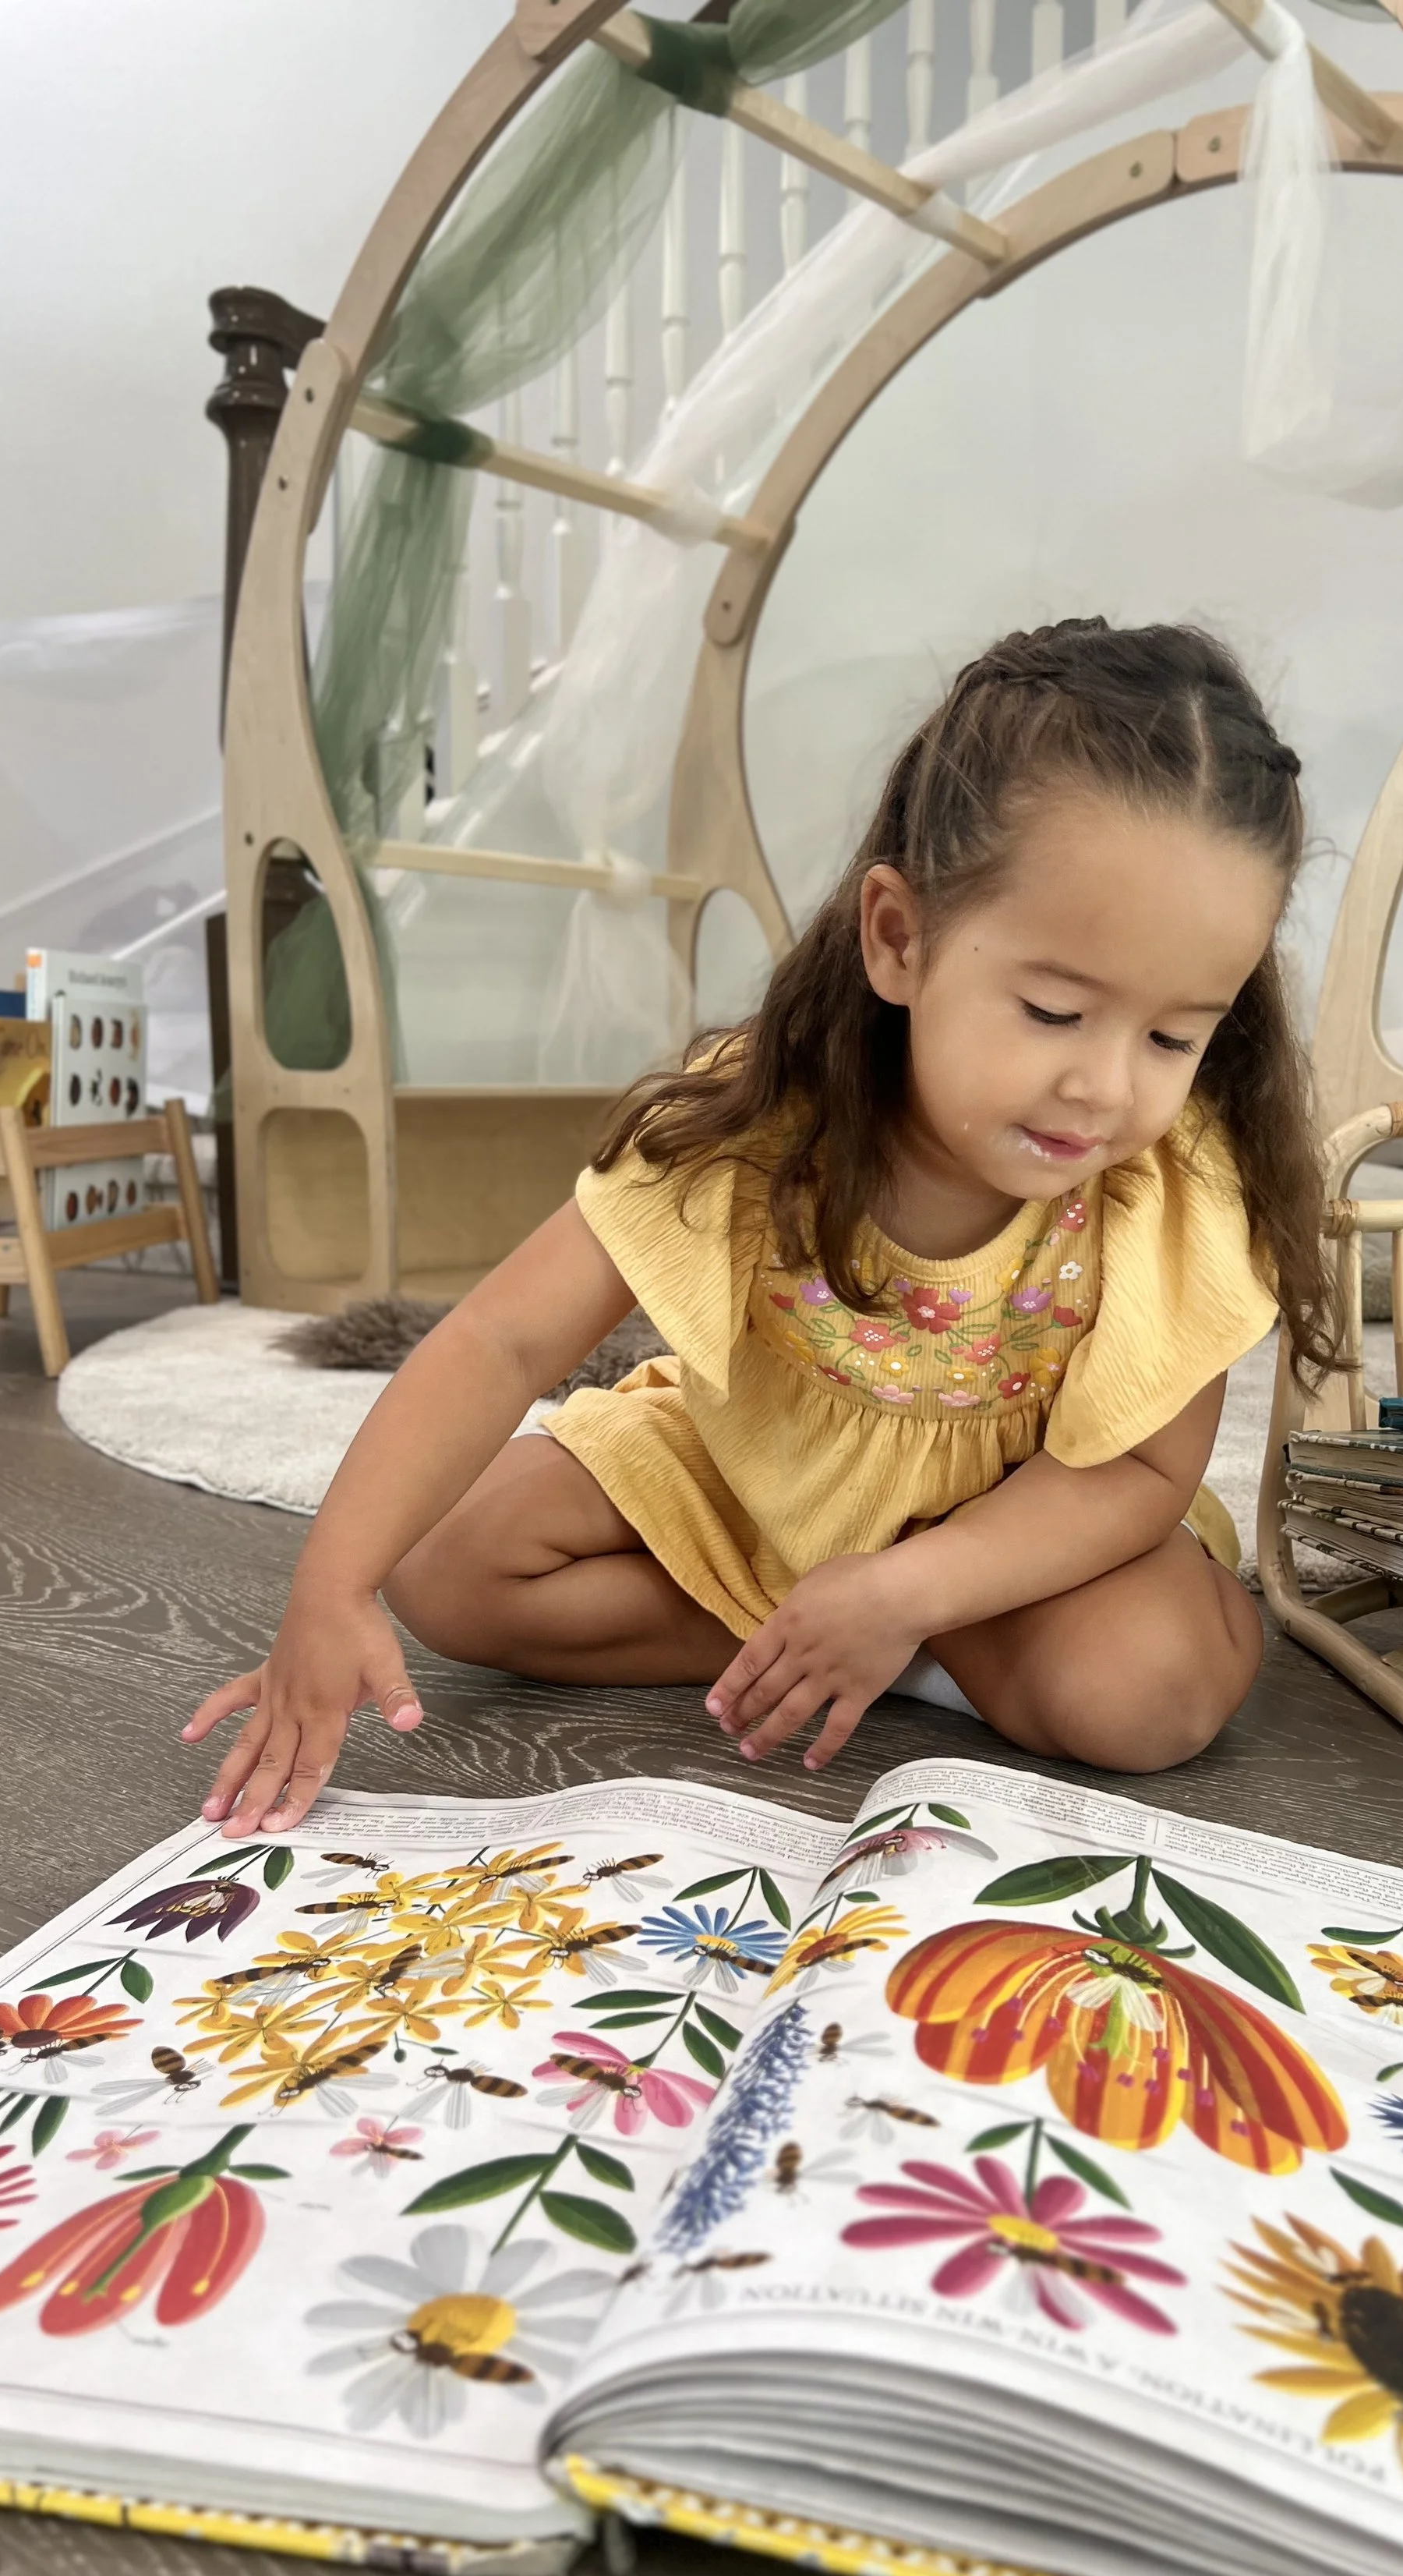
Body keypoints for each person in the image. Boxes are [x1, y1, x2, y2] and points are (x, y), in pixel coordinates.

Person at [186, 618, 1341, 1836]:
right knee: (446, 1565)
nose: (1109, 1088)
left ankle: (879, 1630)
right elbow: (500, 1345)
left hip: (1016, 1544)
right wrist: (333, 1583)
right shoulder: (756, 1117)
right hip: (760, 1490)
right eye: (1054, 1011)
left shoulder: (1173, 1184)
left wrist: (911, 1585)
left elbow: (1144, 1476)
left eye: (1173, 1037)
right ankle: (823, 1637)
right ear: (900, 939)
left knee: (1149, 1694)